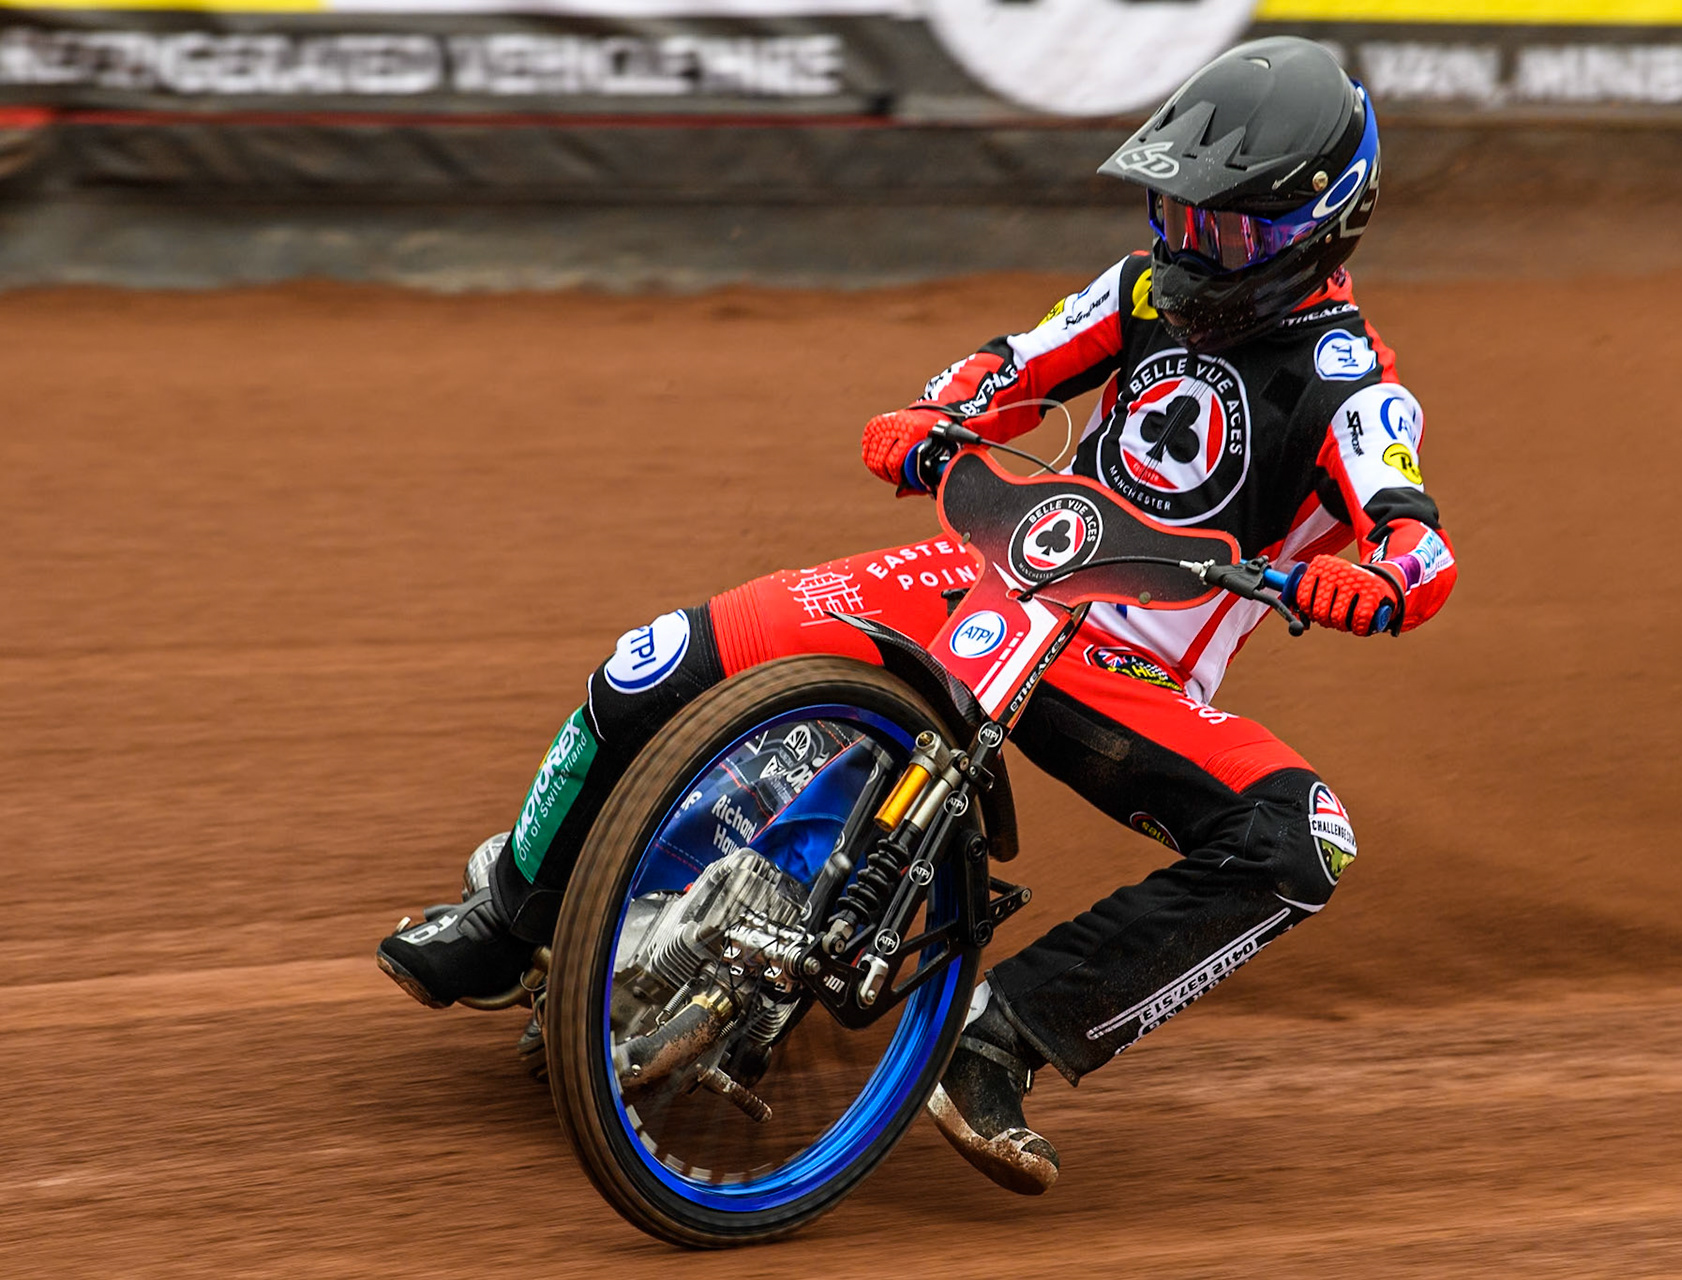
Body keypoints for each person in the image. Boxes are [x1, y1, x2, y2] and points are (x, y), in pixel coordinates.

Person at [376, 36, 1457, 1198]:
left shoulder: (1355, 382)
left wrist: (1379, 583)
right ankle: (513, 913)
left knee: (1307, 837)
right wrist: (930, 413)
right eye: (1175, 210)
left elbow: (1417, 536)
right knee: (650, 665)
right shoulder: (1141, 286)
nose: (1188, 244)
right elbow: (1013, 364)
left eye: (1226, 229)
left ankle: (1004, 1038)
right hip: (983, 568)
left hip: (1126, 670)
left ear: (1320, 224)